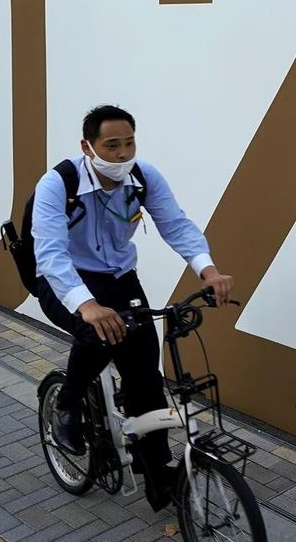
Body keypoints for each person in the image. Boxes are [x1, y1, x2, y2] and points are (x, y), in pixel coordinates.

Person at [31, 104, 234, 511]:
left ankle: (158, 473)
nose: (123, 154)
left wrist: (207, 270)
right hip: (65, 279)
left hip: (120, 278)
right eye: (112, 145)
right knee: (99, 332)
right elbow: (51, 253)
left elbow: (174, 223)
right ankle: (67, 405)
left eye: (129, 143)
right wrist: (86, 304)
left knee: (144, 366)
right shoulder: (58, 184)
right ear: (87, 146)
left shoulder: (143, 177)